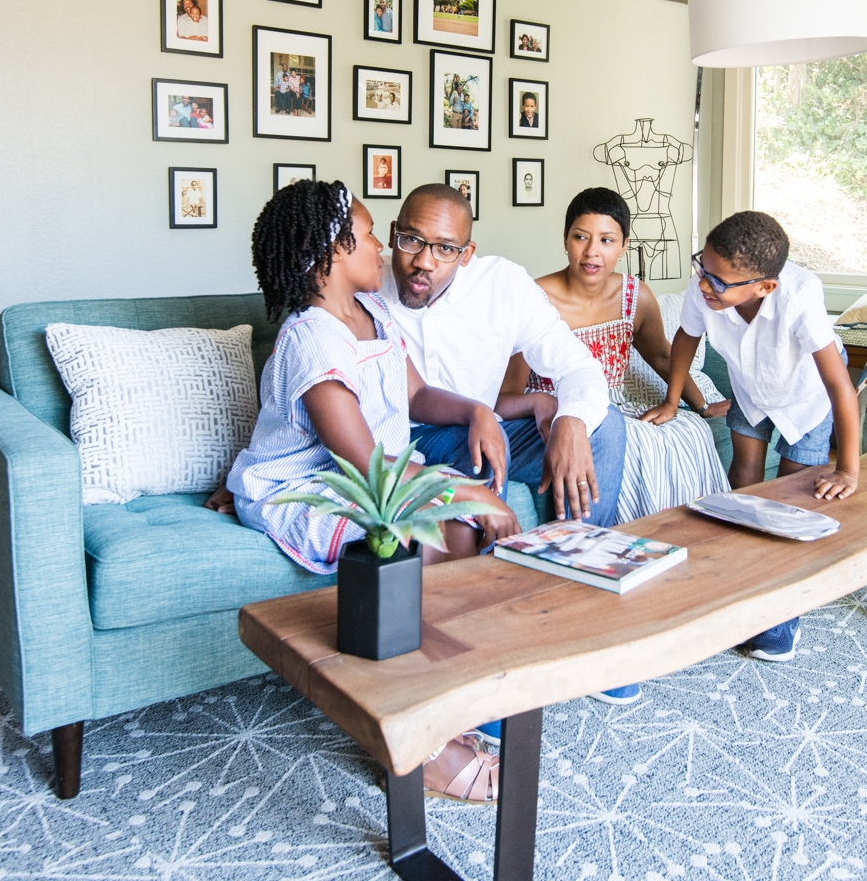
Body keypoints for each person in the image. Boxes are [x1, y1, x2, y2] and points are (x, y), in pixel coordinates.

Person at [218, 180, 519, 803]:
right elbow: (366, 465)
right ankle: (415, 745)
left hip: (370, 476)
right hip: (314, 486)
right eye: (370, 234)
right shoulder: (311, 338)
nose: (382, 247)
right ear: (330, 252)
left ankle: (439, 699)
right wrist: (472, 494)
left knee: (459, 534)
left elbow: (416, 395)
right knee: (416, 544)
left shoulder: (373, 313)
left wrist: (475, 412)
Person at [382, 183, 633, 708]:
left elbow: (578, 367)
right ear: (392, 234)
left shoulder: (503, 285)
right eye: (411, 240)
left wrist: (570, 420)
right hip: (409, 445)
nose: (423, 261)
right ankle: (502, 640)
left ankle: (582, 601)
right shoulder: (366, 286)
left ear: (466, 253)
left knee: (605, 425)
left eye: (445, 248)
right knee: (474, 452)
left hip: (485, 431)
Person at [643, 210, 859, 663]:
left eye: (718, 281)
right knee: (743, 486)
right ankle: (739, 584)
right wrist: (672, 401)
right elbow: (685, 339)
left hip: (806, 395)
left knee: (793, 500)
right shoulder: (706, 286)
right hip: (750, 387)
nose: (705, 285)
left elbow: (839, 387)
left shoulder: (799, 296)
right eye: (702, 268)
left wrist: (848, 470)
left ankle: (784, 613)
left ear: (765, 287)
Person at [506, 187, 729, 524]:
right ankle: (612, 539)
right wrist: (545, 406)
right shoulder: (535, 300)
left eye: (607, 240)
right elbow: (506, 395)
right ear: (565, 239)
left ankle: (679, 535)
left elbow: (663, 358)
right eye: (580, 237)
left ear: (624, 246)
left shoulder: (635, 297)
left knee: (689, 432)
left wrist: (702, 406)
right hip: (556, 415)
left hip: (618, 407)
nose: (592, 252)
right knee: (631, 441)